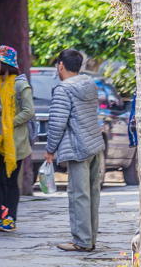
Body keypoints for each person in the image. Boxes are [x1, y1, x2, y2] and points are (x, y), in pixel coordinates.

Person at [45, 49, 105, 252]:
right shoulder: (90, 85)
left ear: (61, 65)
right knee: (92, 193)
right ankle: (90, 238)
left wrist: (50, 149)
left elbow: (57, 123)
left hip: (78, 148)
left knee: (79, 195)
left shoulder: (63, 90)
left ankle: (81, 241)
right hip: (95, 145)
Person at [0, 45, 34, 233]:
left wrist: (8, 123)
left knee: (9, 180)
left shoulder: (20, 84)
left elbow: (28, 111)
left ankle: (10, 217)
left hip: (14, 143)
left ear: (4, 63)